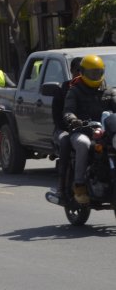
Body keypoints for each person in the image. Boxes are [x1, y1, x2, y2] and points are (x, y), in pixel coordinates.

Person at [62, 54, 116, 205]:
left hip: (104, 132)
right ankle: (79, 185)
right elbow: (68, 111)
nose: (95, 76)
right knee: (83, 144)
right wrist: (73, 119)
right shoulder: (75, 91)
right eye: (92, 73)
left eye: (98, 72)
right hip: (82, 131)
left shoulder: (108, 92)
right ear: (83, 72)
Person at [50, 57, 82, 203]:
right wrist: (70, 125)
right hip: (66, 129)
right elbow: (57, 114)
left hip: (88, 129)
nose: (81, 74)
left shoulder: (99, 87)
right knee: (65, 141)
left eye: (85, 71)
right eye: (78, 71)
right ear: (72, 71)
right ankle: (62, 186)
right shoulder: (65, 88)